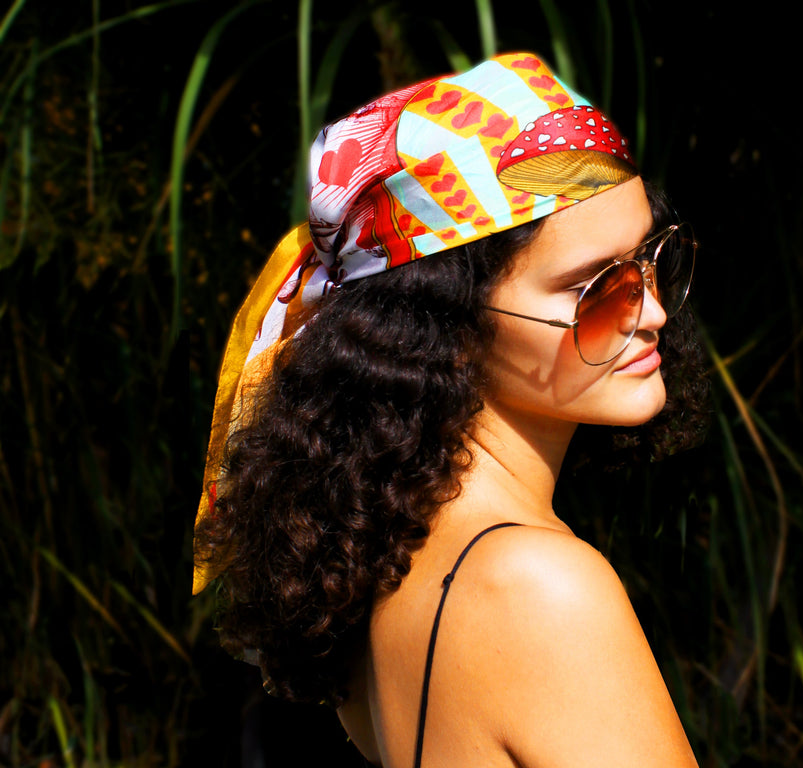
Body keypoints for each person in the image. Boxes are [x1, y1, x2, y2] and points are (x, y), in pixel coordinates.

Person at [193, 52, 707, 767]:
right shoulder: (537, 587)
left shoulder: (390, 560)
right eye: (594, 287)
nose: (650, 310)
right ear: (447, 326)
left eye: (651, 258)